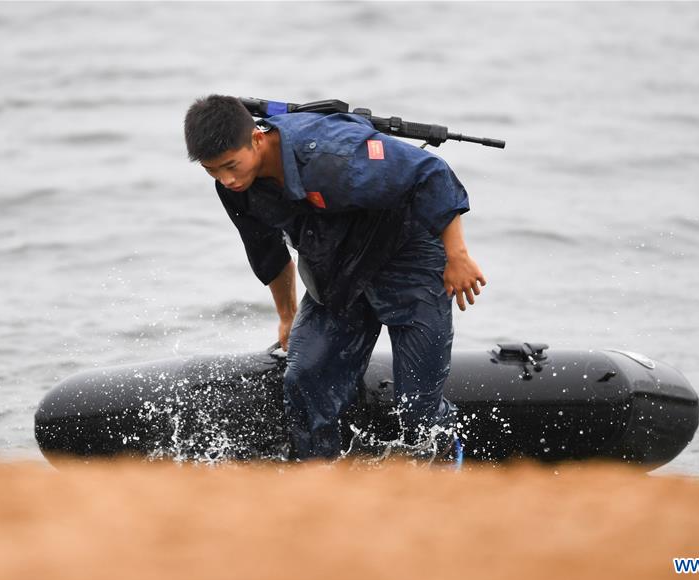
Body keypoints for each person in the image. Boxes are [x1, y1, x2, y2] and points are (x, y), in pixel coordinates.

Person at [184, 95, 485, 461]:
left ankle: (447, 465)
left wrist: (457, 255)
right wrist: (286, 314)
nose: (226, 179)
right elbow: (268, 253)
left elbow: (430, 172)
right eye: (212, 171)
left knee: (417, 408)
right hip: (337, 267)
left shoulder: (332, 158)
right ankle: (321, 480)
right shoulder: (237, 191)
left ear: (258, 139)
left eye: (231, 165)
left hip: (408, 258)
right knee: (304, 376)